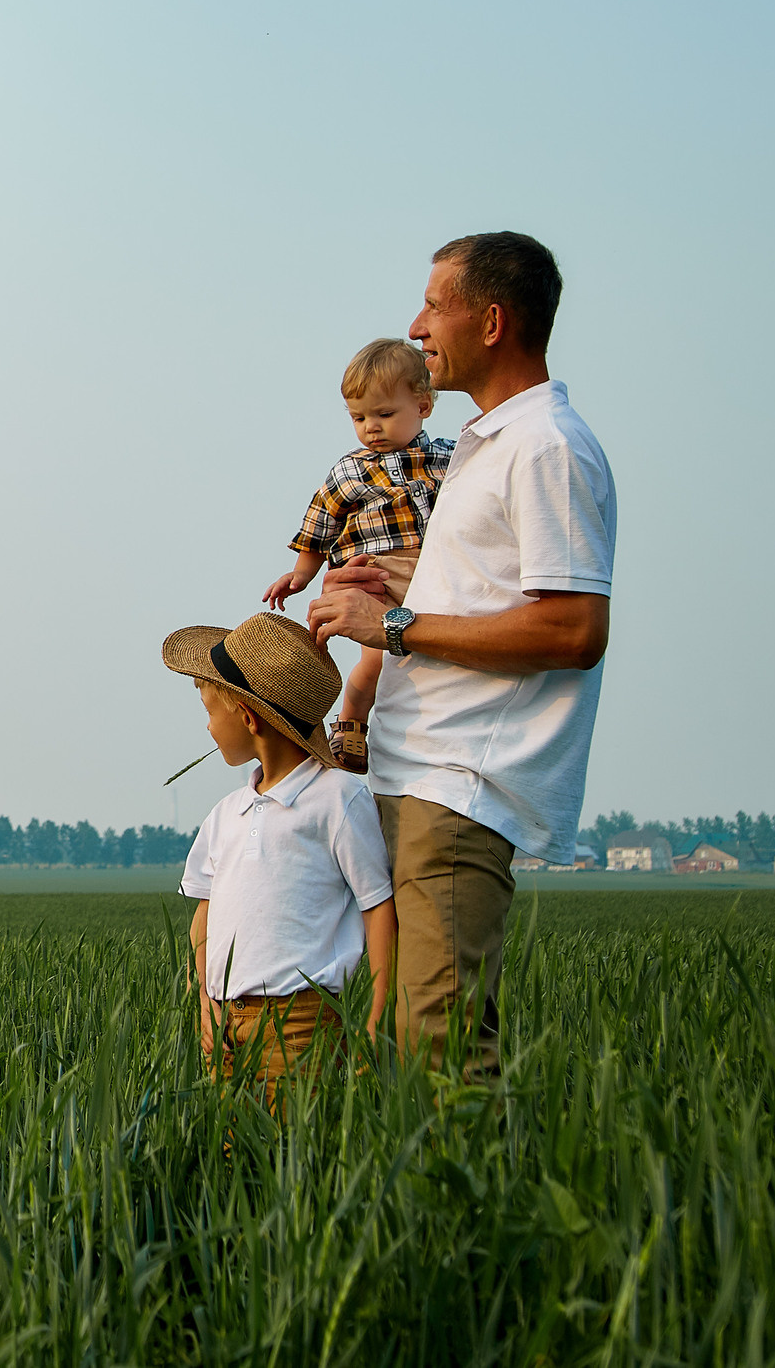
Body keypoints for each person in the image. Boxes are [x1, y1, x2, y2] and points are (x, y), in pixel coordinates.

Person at [308, 233, 614, 1077]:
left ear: (490, 319)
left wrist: (393, 627)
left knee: (440, 1052)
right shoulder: (487, 446)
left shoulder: (546, 447)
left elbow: (574, 630)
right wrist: (396, 581)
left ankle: (462, 1209)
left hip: (463, 778)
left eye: (433, 304)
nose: (415, 325)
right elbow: (494, 593)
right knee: (406, 1039)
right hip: (417, 771)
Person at [168, 612, 396, 1086]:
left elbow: (378, 907)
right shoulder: (227, 813)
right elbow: (205, 916)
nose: (208, 728)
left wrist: (377, 1018)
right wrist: (206, 999)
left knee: (295, 1147)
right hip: (223, 1024)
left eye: (211, 712)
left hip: (301, 1025)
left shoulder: (338, 799)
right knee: (229, 1151)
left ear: (249, 718)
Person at [262, 339, 454, 774]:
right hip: (377, 573)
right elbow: (319, 523)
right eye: (359, 417)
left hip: (432, 571)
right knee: (375, 658)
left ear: (423, 405)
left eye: (385, 414)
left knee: (432, 649)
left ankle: (423, 730)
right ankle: (351, 724)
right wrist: (300, 575)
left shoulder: (447, 456)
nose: (372, 427)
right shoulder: (350, 471)